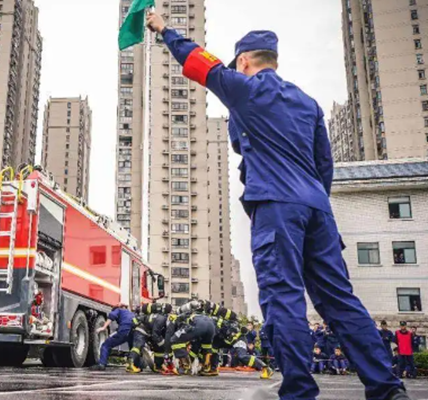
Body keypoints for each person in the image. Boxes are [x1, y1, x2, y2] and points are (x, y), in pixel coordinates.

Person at [145, 13, 408, 400]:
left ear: (244, 61)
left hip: (277, 206)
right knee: (341, 301)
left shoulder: (246, 89)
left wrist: (164, 28)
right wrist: (313, 202)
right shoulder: (308, 103)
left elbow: (199, 61)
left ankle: (299, 392)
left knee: (283, 297)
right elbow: (324, 166)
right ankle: (387, 389)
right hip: (318, 210)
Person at [90, 303, 134, 371]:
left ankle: (102, 364)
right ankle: (136, 365)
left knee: (106, 345)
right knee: (133, 349)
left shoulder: (118, 310)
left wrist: (104, 327)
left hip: (123, 331)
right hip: (133, 332)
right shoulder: (131, 313)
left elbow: (112, 316)